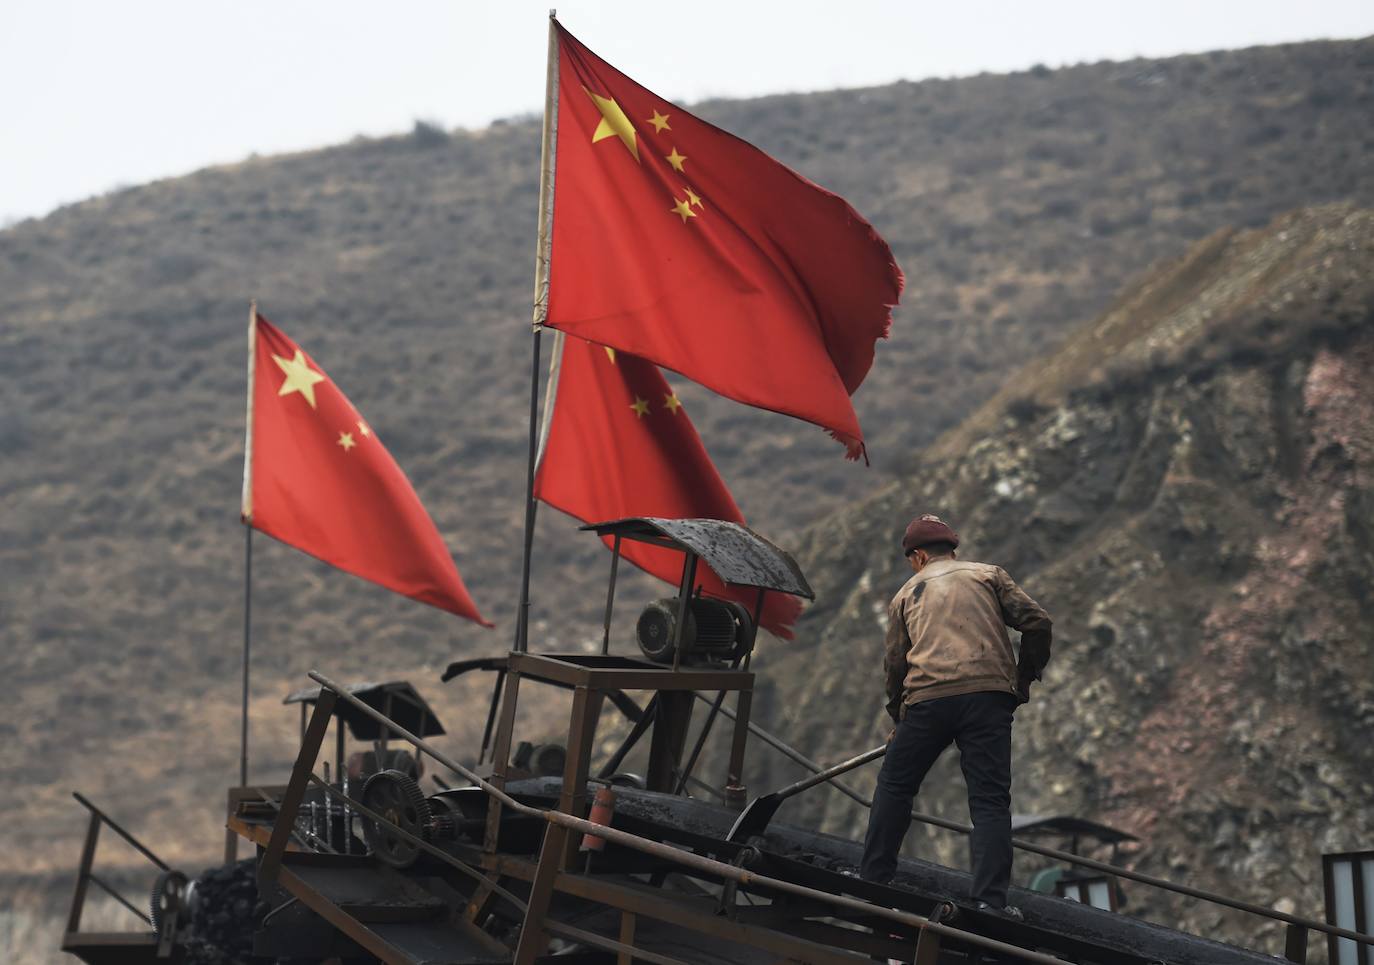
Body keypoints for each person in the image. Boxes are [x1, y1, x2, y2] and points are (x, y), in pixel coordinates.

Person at [859, 514, 1052, 919]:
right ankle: (989, 901)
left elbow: (895, 665)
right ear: (954, 550)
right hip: (988, 697)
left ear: (918, 556)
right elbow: (1038, 622)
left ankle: (874, 878)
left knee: (895, 785)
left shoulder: (907, 594)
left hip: (928, 699)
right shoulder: (988, 576)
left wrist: (899, 718)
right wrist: (1023, 678)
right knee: (990, 801)